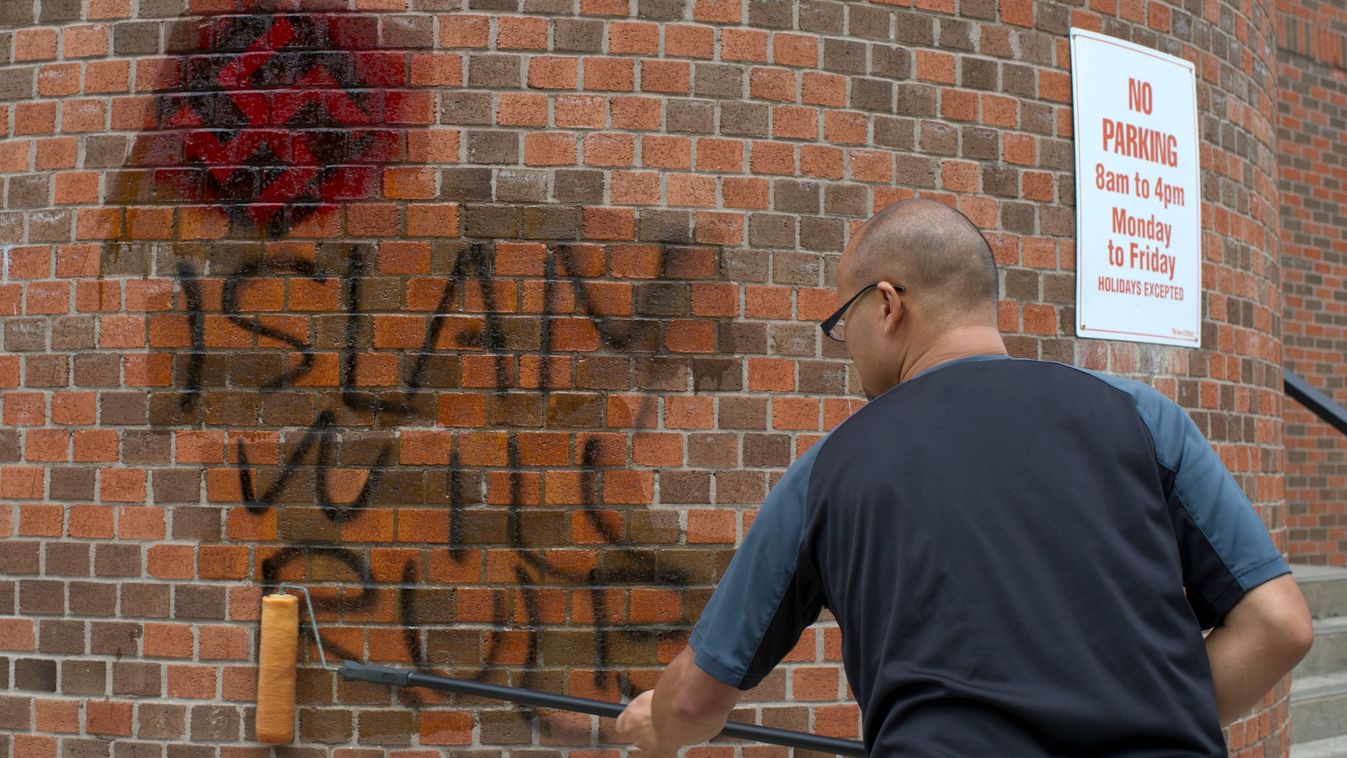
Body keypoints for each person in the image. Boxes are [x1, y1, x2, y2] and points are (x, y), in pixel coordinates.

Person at [615, 199, 1313, 756]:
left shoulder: (828, 473)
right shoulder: (1139, 416)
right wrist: (1159, 718)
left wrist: (657, 728)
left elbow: (691, 703)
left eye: (840, 320)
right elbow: (1278, 625)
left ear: (887, 305)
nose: (843, 346)